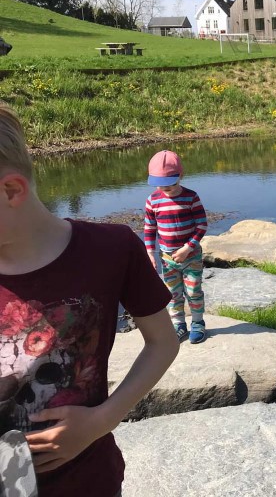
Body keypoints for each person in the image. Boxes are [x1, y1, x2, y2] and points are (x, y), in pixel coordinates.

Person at [0, 104, 178, 497]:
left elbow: (163, 342)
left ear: (12, 190)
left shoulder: (111, 250)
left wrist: (102, 420)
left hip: (85, 482)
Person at [144, 150, 208, 344]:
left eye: (170, 184)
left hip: (191, 256)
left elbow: (202, 225)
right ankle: (179, 325)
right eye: (160, 185)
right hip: (167, 258)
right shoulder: (153, 201)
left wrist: (188, 248)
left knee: (193, 290)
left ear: (181, 176)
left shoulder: (191, 197)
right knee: (172, 292)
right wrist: (149, 252)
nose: (166, 189)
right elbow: (150, 228)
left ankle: (197, 323)